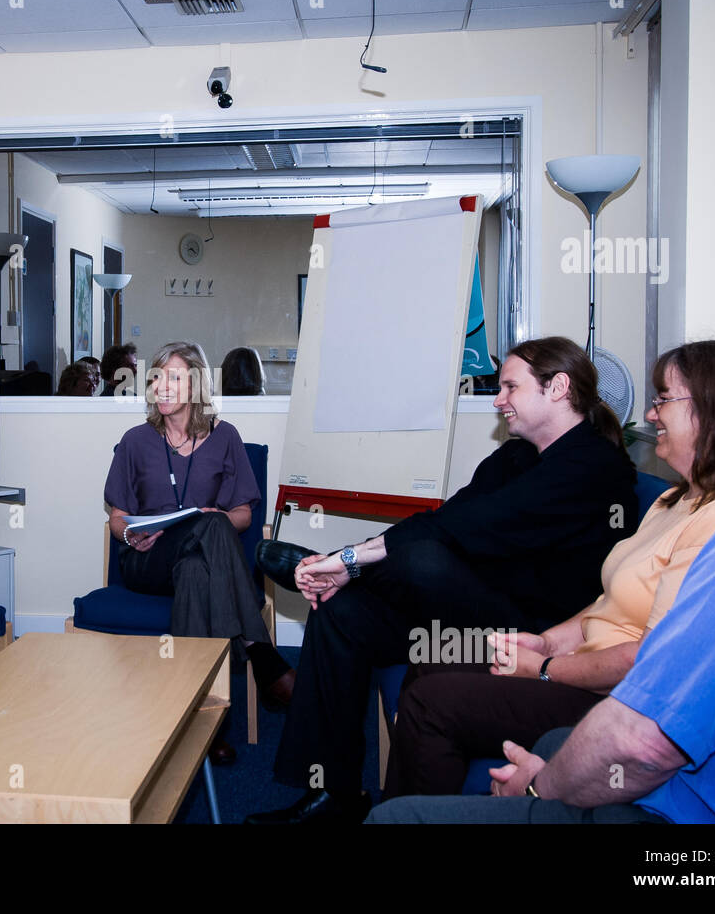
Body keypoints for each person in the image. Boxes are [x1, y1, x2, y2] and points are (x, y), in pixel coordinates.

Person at [368, 320, 715, 823]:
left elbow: (649, 678)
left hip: (604, 692)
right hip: (578, 662)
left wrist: (543, 669)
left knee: (433, 689)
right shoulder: (672, 500)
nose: (650, 415)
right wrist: (545, 643)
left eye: (663, 400)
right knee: (432, 656)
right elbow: (602, 605)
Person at [245, 336, 638, 824]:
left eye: (510, 387)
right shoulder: (516, 457)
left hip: (532, 633)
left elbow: (469, 529)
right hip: (471, 610)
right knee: (342, 614)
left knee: (423, 560)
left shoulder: (594, 465)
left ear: (557, 388)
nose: (498, 400)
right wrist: (352, 562)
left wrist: (349, 560)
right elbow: (446, 517)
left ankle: (330, 569)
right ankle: (334, 795)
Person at [104, 341, 292, 764]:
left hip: (200, 561)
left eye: (173, 377)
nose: (162, 386)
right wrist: (130, 535)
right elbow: (118, 517)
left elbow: (243, 512)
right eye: (156, 377)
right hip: (146, 559)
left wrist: (216, 519)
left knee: (197, 563)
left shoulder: (225, 438)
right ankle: (262, 655)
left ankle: (199, 726)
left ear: (196, 385)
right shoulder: (135, 441)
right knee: (209, 524)